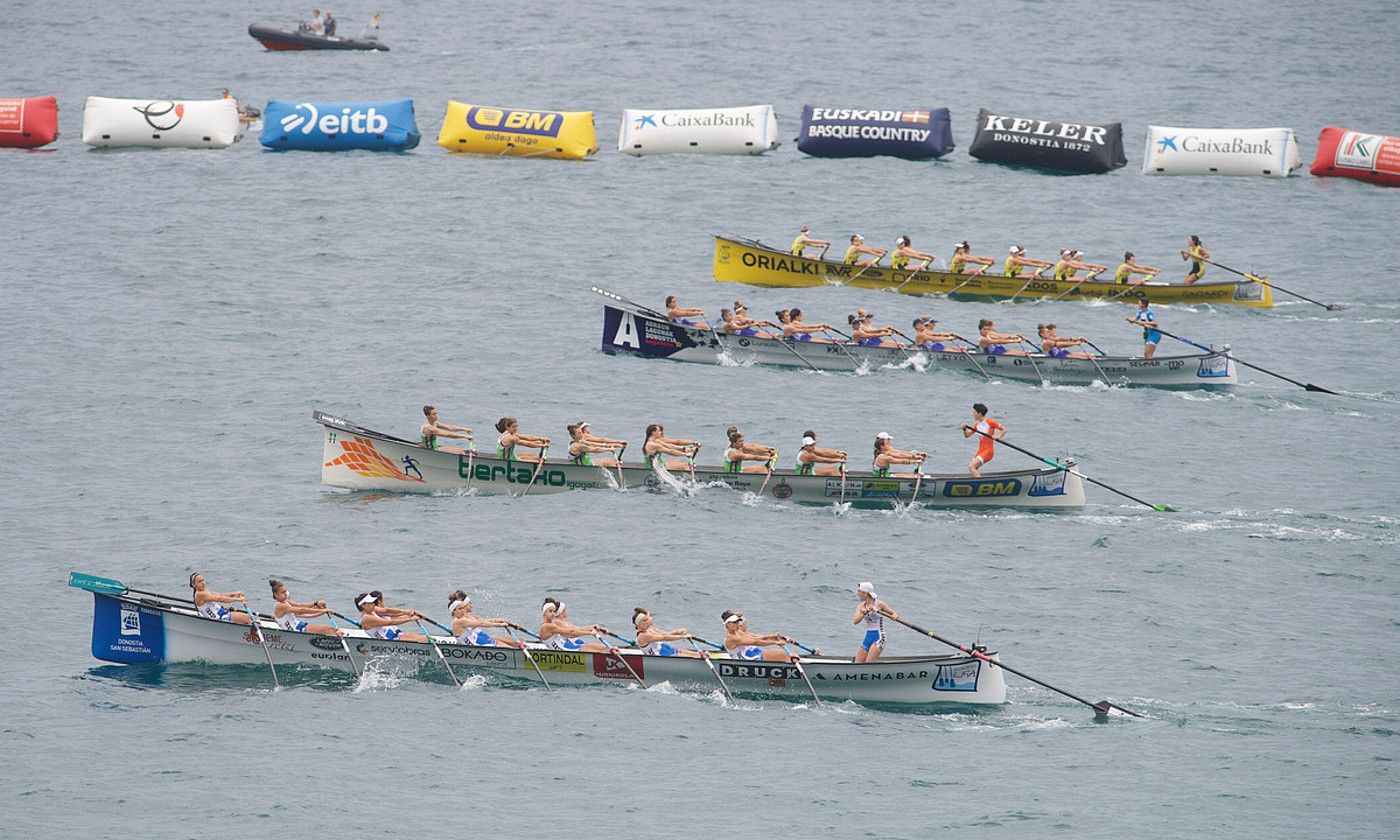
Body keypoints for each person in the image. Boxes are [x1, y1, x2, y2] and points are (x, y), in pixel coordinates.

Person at [448, 590, 521, 647]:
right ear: (454, 611)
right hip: (476, 646)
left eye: (463, 608)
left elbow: (481, 620)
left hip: (479, 641)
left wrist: (499, 620)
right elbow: (481, 623)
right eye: (460, 609)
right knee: (510, 646)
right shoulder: (459, 621)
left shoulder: (465, 616)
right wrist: (500, 625)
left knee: (518, 642)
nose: (463, 610)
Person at [721, 611, 800, 662]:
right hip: (747, 661)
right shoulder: (731, 638)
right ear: (727, 624)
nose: (737, 624)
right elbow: (756, 642)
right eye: (734, 622)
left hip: (753, 655)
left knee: (793, 652)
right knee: (786, 655)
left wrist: (773, 636)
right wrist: (775, 642)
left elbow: (757, 637)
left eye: (737, 621)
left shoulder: (738, 632)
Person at [538, 598, 610, 652]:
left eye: (554, 611)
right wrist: (590, 632)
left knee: (592, 646)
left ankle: (610, 650)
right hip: (565, 650)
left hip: (569, 647)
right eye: (550, 611)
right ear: (544, 613)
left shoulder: (551, 624)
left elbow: (577, 629)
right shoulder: (547, 626)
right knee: (591, 647)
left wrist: (594, 628)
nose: (553, 614)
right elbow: (571, 632)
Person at [269, 579, 337, 635]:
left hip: (299, 626)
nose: (285, 594)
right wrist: (322, 610)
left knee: (332, 630)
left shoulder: (286, 602)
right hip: (295, 632)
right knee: (329, 630)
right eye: (283, 592)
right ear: (276, 595)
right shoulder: (280, 606)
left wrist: (316, 604)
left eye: (285, 591)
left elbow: (300, 606)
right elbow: (301, 610)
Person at [852, 582, 898, 663]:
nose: (857, 593)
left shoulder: (879, 604)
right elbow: (855, 621)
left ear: (865, 593)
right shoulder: (860, 606)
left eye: (859, 591)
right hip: (868, 637)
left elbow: (893, 613)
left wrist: (894, 616)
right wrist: (864, 613)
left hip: (879, 637)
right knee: (857, 664)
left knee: (868, 664)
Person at [354, 592, 427, 642]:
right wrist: (410, 619)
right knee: (417, 639)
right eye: (370, 603)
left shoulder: (373, 610)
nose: (373, 604)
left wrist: (409, 612)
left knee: (413, 635)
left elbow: (387, 611)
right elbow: (390, 622)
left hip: (396, 635)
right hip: (389, 641)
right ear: (363, 605)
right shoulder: (366, 619)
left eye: (373, 602)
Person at [632, 608, 702, 657]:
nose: (647, 622)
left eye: (647, 620)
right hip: (660, 657)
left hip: (666, 651)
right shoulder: (642, 636)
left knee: (697, 654)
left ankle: (701, 655)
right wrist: (683, 637)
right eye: (644, 621)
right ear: (638, 624)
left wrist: (678, 632)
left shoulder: (649, 628)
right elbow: (664, 638)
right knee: (693, 656)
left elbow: (665, 634)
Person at [188, 573, 253, 625]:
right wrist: (238, 599)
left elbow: (220, 595)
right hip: (219, 619)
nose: (203, 583)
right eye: (199, 581)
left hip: (222, 613)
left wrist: (234, 594)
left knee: (254, 618)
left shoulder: (205, 590)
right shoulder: (200, 595)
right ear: (194, 585)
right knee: (248, 618)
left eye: (203, 580)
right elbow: (220, 599)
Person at [962, 403, 1005, 477]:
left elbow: (1004, 429)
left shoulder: (990, 422)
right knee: (973, 468)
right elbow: (967, 435)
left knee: (971, 467)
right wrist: (964, 429)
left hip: (988, 451)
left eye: (974, 412)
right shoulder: (976, 425)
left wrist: (998, 436)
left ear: (980, 413)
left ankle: (978, 484)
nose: (973, 414)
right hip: (980, 451)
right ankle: (978, 482)